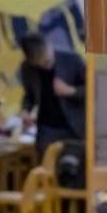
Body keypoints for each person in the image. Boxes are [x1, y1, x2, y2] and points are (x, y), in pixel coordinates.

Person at [20, 31, 87, 165]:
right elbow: (29, 96)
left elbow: (92, 90)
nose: (46, 65)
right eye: (40, 63)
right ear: (31, 61)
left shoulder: (72, 60)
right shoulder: (27, 68)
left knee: (75, 170)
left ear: (49, 46)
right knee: (48, 169)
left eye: (47, 60)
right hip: (47, 129)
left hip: (74, 127)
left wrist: (71, 91)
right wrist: (25, 110)